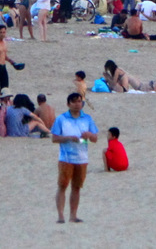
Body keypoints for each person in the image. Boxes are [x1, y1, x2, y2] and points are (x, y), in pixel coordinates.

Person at [52, 92, 100, 224]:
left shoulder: (87, 118)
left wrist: (89, 135)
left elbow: (95, 138)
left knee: (77, 187)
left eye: (79, 101)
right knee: (62, 185)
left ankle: (73, 215)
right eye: (74, 102)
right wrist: (68, 138)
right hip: (66, 158)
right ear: (68, 104)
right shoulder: (61, 119)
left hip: (82, 158)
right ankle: (60, 215)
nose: (77, 104)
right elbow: (54, 138)